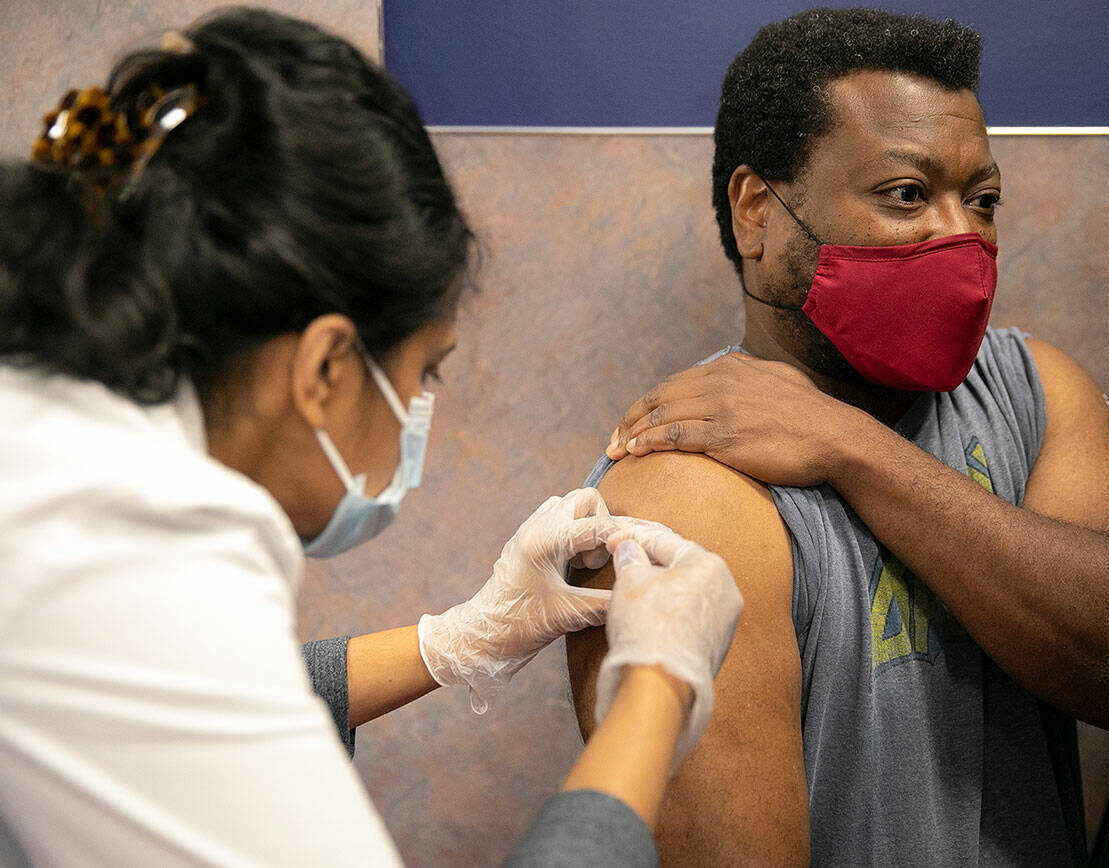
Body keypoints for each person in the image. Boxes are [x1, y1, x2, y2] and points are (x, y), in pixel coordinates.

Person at [0, 9, 743, 866]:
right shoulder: (124, 539)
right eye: (423, 374)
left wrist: (465, 636)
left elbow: (179, 707)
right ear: (324, 368)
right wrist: (657, 686)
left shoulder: (53, 443)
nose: (418, 411)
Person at [567, 7, 1109, 866]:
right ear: (757, 212)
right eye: (907, 195)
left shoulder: (1031, 387)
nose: (961, 237)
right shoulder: (683, 491)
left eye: (982, 200)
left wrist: (851, 446)